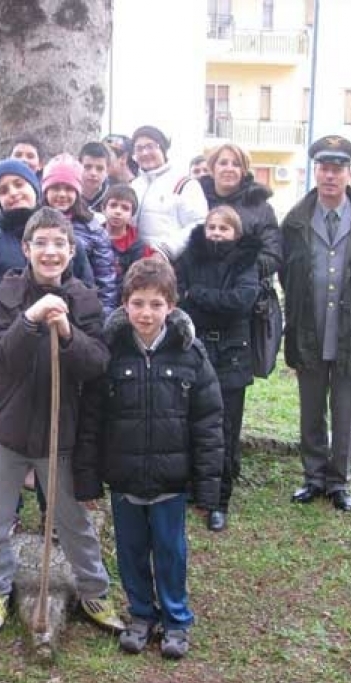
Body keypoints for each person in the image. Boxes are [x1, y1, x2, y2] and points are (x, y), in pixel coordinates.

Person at [0, 206, 124, 635]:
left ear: (72, 250)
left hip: (61, 432)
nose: (50, 251)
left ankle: (94, 590)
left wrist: (69, 333)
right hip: (5, 429)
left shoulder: (85, 299)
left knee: (73, 519)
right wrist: (31, 319)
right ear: (26, 248)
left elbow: (96, 364)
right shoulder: (3, 296)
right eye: (41, 242)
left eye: (60, 243)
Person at [75, 257, 223, 658]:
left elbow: (208, 421)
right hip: (124, 478)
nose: (146, 312)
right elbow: (90, 421)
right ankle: (141, 614)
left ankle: (176, 620)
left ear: (171, 306)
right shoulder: (111, 354)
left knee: (170, 552)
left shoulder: (190, 354)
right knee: (130, 551)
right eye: (138, 303)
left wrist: (208, 486)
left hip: (170, 481)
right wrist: (87, 480)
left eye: (156, 304)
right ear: (124, 304)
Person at [281, 135, 351, 512]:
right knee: (311, 409)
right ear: (316, 171)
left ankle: (340, 481)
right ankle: (313, 478)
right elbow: (287, 277)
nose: (330, 175)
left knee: (347, 411)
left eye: (338, 168)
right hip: (308, 329)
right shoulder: (295, 221)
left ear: (349, 173)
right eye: (324, 168)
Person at [175, 206, 260, 531]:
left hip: (231, 355)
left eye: (224, 228)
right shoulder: (189, 258)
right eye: (212, 227)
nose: (216, 233)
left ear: (235, 233)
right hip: (194, 349)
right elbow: (179, 298)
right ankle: (190, 488)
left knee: (225, 430)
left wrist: (200, 296)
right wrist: (203, 300)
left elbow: (241, 301)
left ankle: (218, 501)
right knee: (187, 421)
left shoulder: (245, 261)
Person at [0, 158, 94, 304]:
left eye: (19, 184)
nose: (13, 192)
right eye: (3, 190)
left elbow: (87, 299)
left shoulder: (67, 241)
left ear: (34, 188)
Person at [42, 153, 119, 314]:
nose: (62, 194)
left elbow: (106, 282)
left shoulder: (93, 229)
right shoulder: (32, 224)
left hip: (80, 310)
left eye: (69, 188)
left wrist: (101, 319)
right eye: (55, 188)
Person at [199, 143, 282, 282]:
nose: (229, 169)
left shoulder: (261, 208)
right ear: (212, 168)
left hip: (247, 293)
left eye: (236, 164)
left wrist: (239, 270)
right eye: (223, 163)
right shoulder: (196, 201)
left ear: (244, 171)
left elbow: (273, 254)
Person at [130, 125, 208, 261]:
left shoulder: (184, 184)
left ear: (163, 149)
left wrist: (166, 251)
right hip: (136, 263)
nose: (145, 153)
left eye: (150, 146)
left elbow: (199, 223)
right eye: (139, 148)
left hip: (172, 263)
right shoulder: (134, 185)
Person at [101, 183, 155, 293]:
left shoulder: (139, 247)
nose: (118, 211)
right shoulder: (91, 238)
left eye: (125, 208)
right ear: (103, 209)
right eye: (113, 205)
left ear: (132, 215)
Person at [78, 141, 112, 213]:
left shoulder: (113, 197)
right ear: (78, 166)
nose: (93, 173)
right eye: (87, 167)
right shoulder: (69, 194)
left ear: (107, 171)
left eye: (99, 168)